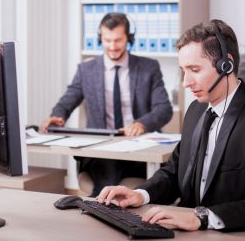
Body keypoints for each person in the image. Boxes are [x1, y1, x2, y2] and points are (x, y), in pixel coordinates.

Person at [97, 19, 245, 232]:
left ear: (226, 65)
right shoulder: (196, 110)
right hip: (186, 230)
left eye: (194, 69)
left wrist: (202, 218)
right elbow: (175, 171)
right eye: (184, 70)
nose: (186, 82)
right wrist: (140, 194)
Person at [40, 12, 173, 196]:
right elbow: (68, 100)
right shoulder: (86, 70)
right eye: (107, 40)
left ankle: (110, 208)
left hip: (139, 148)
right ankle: (105, 211)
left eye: (118, 40)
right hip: (102, 150)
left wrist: (142, 124)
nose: (112, 47)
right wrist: (57, 116)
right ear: (100, 38)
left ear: (129, 38)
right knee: (107, 169)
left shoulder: (148, 68)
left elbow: (164, 108)